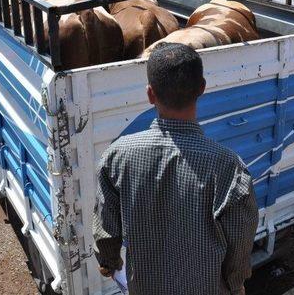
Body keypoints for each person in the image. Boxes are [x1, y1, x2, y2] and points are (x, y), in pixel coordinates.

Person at [92, 43, 259, 295]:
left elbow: (106, 230)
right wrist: (236, 285)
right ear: (202, 88)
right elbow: (240, 240)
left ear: (150, 94)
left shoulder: (117, 156)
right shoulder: (228, 166)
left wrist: (109, 262)